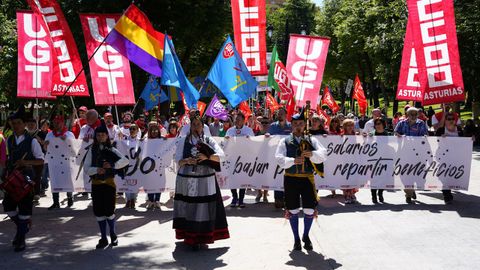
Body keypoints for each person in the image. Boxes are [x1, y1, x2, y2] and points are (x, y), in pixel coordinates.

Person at [173, 112, 229, 250]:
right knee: (189, 206)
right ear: (190, 126)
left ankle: (201, 236)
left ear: (203, 127)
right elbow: (177, 160)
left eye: (199, 124)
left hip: (205, 179)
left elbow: (222, 156)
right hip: (187, 180)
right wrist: (187, 160)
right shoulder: (183, 141)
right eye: (194, 124)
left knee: (203, 207)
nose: (196, 127)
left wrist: (207, 157)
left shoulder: (209, 141)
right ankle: (190, 235)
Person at [275, 110, 327, 251]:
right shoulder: (284, 141)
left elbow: (323, 154)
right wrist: (292, 160)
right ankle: (296, 239)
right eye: (295, 124)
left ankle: (306, 235)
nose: (298, 126)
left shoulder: (312, 140)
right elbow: (279, 158)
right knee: (293, 210)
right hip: (291, 179)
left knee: (310, 210)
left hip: (307, 180)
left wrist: (312, 154)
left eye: (301, 124)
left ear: (305, 125)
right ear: (291, 125)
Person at [2, 107, 44, 252]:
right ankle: (23, 225)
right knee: (8, 208)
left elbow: (41, 161)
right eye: (13, 123)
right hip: (12, 178)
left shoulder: (32, 142)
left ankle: (20, 239)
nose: (16, 126)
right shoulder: (9, 139)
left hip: (26, 180)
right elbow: (8, 158)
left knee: (25, 210)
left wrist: (25, 163)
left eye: (18, 123)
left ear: (24, 124)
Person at [84, 125, 129, 249]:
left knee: (109, 211)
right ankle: (103, 238)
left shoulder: (112, 149)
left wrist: (113, 165)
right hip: (96, 185)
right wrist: (96, 170)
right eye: (98, 135)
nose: (100, 137)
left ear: (107, 136)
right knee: (99, 212)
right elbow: (86, 168)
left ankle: (113, 234)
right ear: (95, 136)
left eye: (103, 134)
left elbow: (125, 161)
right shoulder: (91, 150)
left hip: (109, 184)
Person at [394, 107, 428, 204]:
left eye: (415, 114)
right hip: (404, 153)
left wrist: (425, 136)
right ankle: (408, 194)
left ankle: (412, 189)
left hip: (418, 153)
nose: (413, 116)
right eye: (411, 114)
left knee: (417, 174)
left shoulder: (421, 123)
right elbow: (395, 132)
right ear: (407, 115)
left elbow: (425, 134)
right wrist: (398, 135)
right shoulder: (401, 123)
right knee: (405, 174)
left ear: (417, 115)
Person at [44, 115, 75, 209]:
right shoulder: (49, 135)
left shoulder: (69, 134)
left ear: (63, 123)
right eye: (55, 122)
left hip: (66, 162)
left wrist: (66, 140)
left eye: (58, 122)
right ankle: (56, 202)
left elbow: (74, 149)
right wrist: (45, 145)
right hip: (54, 162)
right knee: (54, 180)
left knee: (68, 180)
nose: (56, 124)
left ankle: (70, 198)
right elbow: (46, 149)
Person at [435, 111, 465, 204]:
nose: (451, 120)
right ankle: (446, 195)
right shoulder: (441, 130)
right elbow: (435, 142)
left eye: (453, 119)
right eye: (449, 119)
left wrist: (471, 139)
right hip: (443, 157)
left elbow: (465, 141)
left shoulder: (459, 130)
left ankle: (448, 192)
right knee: (443, 176)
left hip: (456, 157)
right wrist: (441, 138)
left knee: (451, 176)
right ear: (445, 120)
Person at [225, 113, 254, 208]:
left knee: (242, 179)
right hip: (232, 159)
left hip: (244, 159)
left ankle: (241, 199)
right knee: (232, 179)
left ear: (243, 121)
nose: (236, 121)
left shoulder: (248, 130)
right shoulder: (230, 130)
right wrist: (227, 140)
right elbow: (225, 143)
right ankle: (234, 197)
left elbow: (254, 143)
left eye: (238, 119)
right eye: (235, 119)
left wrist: (249, 140)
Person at [266, 107, 292, 209]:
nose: (280, 115)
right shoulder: (272, 126)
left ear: (286, 115)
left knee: (288, 178)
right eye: (278, 114)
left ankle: (287, 198)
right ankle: (278, 198)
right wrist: (267, 135)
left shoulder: (290, 126)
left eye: (282, 113)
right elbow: (268, 139)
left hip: (288, 156)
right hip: (276, 157)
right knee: (277, 176)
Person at [369, 118, 391, 203]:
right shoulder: (371, 134)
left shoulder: (388, 135)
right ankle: (374, 196)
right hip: (373, 160)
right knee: (374, 178)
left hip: (385, 159)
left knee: (384, 178)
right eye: (376, 124)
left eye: (379, 123)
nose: (378, 125)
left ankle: (380, 193)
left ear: (383, 124)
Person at [341, 119, 359, 204]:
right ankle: (346, 195)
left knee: (353, 176)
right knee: (346, 177)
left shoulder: (355, 135)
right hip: (344, 159)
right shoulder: (341, 135)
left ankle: (352, 194)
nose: (350, 127)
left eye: (351, 125)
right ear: (344, 126)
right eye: (348, 125)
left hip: (354, 158)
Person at [145, 122, 162, 210]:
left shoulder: (163, 140)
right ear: (150, 132)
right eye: (152, 130)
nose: (154, 132)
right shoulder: (146, 140)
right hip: (149, 166)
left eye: (156, 130)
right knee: (150, 183)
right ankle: (151, 201)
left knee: (159, 183)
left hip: (159, 166)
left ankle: (157, 201)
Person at [123, 124, 140, 209]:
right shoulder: (124, 139)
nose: (132, 131)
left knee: (135, 183)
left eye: (134, 129)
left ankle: (133, 199)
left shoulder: (140, 141)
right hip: (127, 165)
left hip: (136, 165)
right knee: (127, 182)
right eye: (130, 129)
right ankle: (128, 200)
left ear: (137, 130)